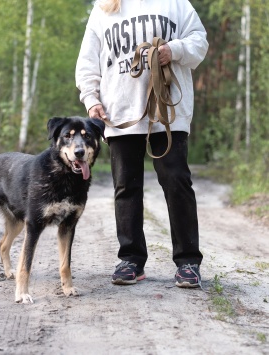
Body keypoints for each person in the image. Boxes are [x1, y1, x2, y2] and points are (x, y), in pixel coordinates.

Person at [75, 0, 209, 288]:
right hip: (119, 112)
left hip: (167, 113)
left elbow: (199, 42)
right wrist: (91, 99)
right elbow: (88, 61)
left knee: (177, 182)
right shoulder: (104, 8)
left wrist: (173, 50)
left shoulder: (176, 4)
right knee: (126, 186)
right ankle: (131, 260)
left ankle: (188, 262)